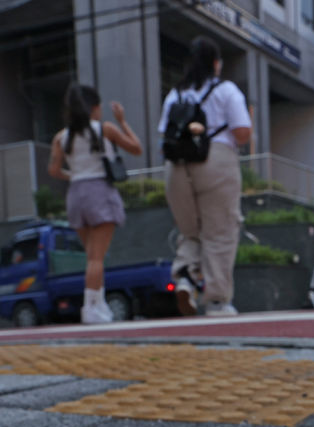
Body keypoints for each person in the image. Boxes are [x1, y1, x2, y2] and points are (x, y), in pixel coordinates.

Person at [159, 36, 252, 317]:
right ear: (215, 63)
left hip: (176, 165)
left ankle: (185, 279)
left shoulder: (175, 94)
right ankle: (217, 300)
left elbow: (163, 133)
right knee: (219, 231)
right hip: (216, 159)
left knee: (190, 231)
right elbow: (242, 132)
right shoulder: (226, 90)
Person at [48, 83, 142, 324]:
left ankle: (98, 305)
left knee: (91, 255)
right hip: (99, 191)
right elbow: (136, 148)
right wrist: (122, 121)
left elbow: (54, 170)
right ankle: (90, 308)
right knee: (97, 258)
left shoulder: (61, 137)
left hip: (75, 194)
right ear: (94, 108)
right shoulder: (105, 129)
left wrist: (74, 176)